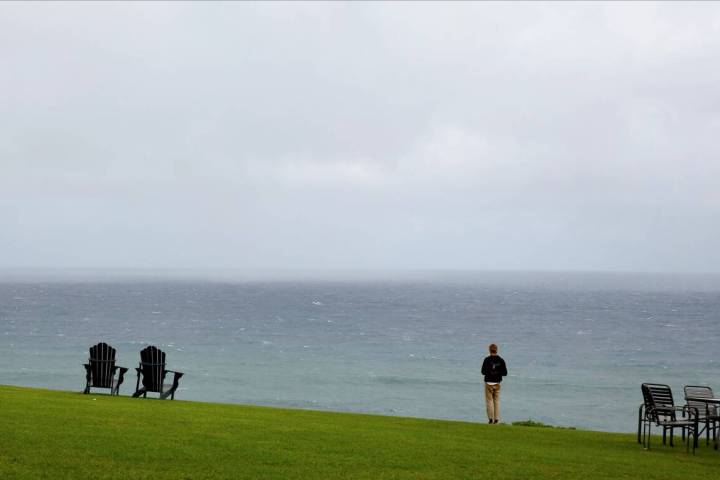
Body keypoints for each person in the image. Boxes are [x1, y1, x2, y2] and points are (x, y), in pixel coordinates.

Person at [481, 343, 507, 424]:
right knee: (496, 401)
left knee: (489, 401)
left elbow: (483, 372)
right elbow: (505, 373)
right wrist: (498, 372)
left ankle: (490, 419)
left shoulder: (486, 360)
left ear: (489, 350)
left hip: (488, 383)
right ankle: (496, 419)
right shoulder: (501, 360)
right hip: (497, 383)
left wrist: (490, 372)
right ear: (496, 350)